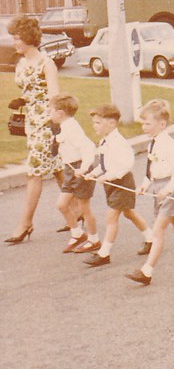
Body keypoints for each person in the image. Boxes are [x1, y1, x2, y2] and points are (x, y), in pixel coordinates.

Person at [123, 100, 174, 286]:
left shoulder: (168, 143)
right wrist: (145, 184)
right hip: (159, 188)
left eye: (147, 124)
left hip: (170, 190)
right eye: (143, 123)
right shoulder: (154, 143)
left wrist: (169, 189)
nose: (144, 127)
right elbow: (152, 168)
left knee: (158, 231)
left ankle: (147, 271)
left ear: (162, 124)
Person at [5, 16, 63, 244]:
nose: (14, 42)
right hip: (31, 121)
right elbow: (32, 90)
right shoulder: (22, 63)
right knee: (57, 166)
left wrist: (55, 125)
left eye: (18, 38)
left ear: (29, 39)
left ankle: (25, 223)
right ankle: (78, 211)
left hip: (45, 124)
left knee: (34, 172)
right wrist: (21, 100)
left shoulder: (45, 63)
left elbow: (54, 96)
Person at [79, 104, 151, 266]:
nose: (94, 125)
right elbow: (105, 164)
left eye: (98, 123)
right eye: (94, 122)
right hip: (111, 183)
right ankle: (150, 238)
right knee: (129, 213)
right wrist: (94, 173)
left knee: (111, 218)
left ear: (111, 123)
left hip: (122, 182)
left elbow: (126, 164)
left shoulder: (119, 142)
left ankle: (104, 253)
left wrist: (108, 176)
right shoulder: (105, 140)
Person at [49, 94, 97, 253]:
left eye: (51, 110)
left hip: (80, 168)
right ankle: (77, 233)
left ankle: (94, 239)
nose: (49, 114)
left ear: (60, 113)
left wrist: (84, 168)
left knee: (85, 208)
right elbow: (62, 140)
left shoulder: (72, 128)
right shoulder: (65, 126)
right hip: (70, 170)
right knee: (62, 205)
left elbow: (88, 147)